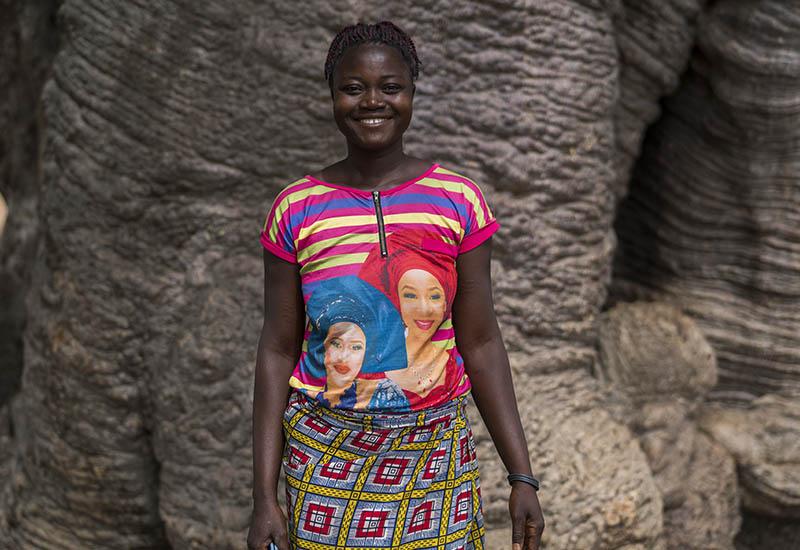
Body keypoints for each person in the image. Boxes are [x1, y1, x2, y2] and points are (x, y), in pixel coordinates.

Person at [248, 21, 544, 550]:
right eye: (353, 87)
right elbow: (276, 349)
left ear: (412, 92)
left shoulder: (458, 201)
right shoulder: (296, 209)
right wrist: (264, 497)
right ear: (332, 95)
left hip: (435, 459)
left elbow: (479, 342)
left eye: (391, 87)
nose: (372, 102)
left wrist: (521, 477)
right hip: (327, 462)